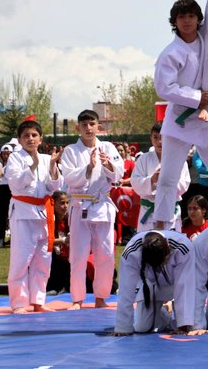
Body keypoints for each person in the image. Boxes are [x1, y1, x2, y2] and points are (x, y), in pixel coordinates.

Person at [153, 0, 208, 226]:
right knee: (169, 177)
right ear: (174, 22)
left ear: (198, 19)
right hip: (181, 120)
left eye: (191, 16)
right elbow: (164, 87)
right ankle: (162, 226)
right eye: (181, 17)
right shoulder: (170, 53)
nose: (187, 21)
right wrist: (198, 97)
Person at [58, 109, 123, 309]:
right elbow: (68, 177)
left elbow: (118, 174)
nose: (88, 128)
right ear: (78, 127)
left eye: (92, 124)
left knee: (105, 254)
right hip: (80, 205)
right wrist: (88, 168)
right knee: (78, 254)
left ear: (98, 126)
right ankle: (77, 298)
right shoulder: (71, 151)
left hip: (102, 205)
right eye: (84, 125)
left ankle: (101, 297)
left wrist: (107, 165)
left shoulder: (108, 147)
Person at [5, 119, 63, 313]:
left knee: (43, 259)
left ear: (40, 138)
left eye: (34, 135)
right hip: (23, 212)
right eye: (26, 136)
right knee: (21, 259)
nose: (30, 139)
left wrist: (53, 166)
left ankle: (38, 301)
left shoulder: (48, 159)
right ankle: (19, 303)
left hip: (44, 213)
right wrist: (33, 166)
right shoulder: (15, 158)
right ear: (20, 140)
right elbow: (15, 184)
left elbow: (54, 187)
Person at [113, 230, 199, 335]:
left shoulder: (183, 246)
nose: (164, 263)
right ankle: (165, 312)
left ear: (168, 244)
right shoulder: (131, 252)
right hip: (149, 281)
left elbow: (185, 284)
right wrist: (123, 327)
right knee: (143, 327)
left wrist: (183, 324)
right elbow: (126, 289)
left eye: (166, 259)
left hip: (176, 282)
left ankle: (176, 314)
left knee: (185, 325)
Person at [132, 124, 190, 232]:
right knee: (148, 246)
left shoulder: (179, 159)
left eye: (163, 137)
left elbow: (184, 184)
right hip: (149, 212)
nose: (160, 142)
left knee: (172, 245)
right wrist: (151, 180)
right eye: (156, 137)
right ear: (151, 138)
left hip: (171, 211)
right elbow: (135, 182)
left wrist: (167, 181)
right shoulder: (143, 159)